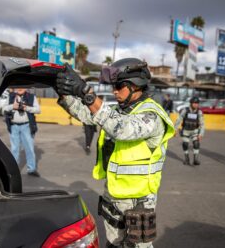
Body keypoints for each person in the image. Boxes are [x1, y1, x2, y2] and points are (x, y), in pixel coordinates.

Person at [55, 58, 175, 248]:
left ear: (136, 86)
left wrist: (88, 94)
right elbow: (87, 114)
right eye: (113, 86)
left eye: (119, 86)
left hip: (138, 200)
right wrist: (64, 92)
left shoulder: (151, 115)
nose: (114, 91)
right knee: (113, 243)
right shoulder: (121, 110)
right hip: (114, 195)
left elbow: (121, 128)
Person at [3, 88, 41, 177]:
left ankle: (31, 169)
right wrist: (13, 106)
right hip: (13, 126)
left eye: (22, 86)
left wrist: (26, 107)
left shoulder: (31, 97)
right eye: (18, 86)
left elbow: (38, 110)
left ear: (26, 88)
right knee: (15, 149)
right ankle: (14, 171)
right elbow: (3, 109)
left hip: (26, 126)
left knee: (29, 148)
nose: (20, 88)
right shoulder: (11, 96)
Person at [174, 96, 205, 166]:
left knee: (196, 143)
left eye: (197, 103)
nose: (196, 104)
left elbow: (202, 124)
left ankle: (195, 159)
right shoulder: (185, 110)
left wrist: (201, 134)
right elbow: (179, 119)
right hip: (186, 130)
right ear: (191, 103)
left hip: (195, 131)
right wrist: (175, 129)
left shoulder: (199, 112)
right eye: (194, 103)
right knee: (185, 144)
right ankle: (186, 158)